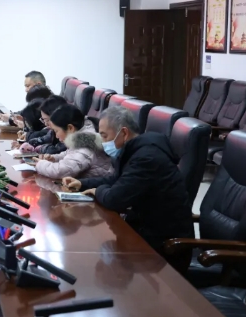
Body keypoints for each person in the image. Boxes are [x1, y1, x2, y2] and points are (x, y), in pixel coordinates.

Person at [62, 106, 193, 253]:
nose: (103, 142)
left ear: (124, 133)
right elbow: (117, 179)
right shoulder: (136, 150)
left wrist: (97, 191)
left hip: (164, 246)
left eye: (105, 136)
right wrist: (83, 183)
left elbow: (114, 199)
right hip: (144, 230)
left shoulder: (147, 158)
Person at [33, 105, 112, 180]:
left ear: (70, 128)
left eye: (56, 131)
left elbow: (61, 171)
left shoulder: (85, 146)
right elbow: (70, 153)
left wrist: (40, 165)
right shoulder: (82, 137)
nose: (56, 136)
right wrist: (54, 158)